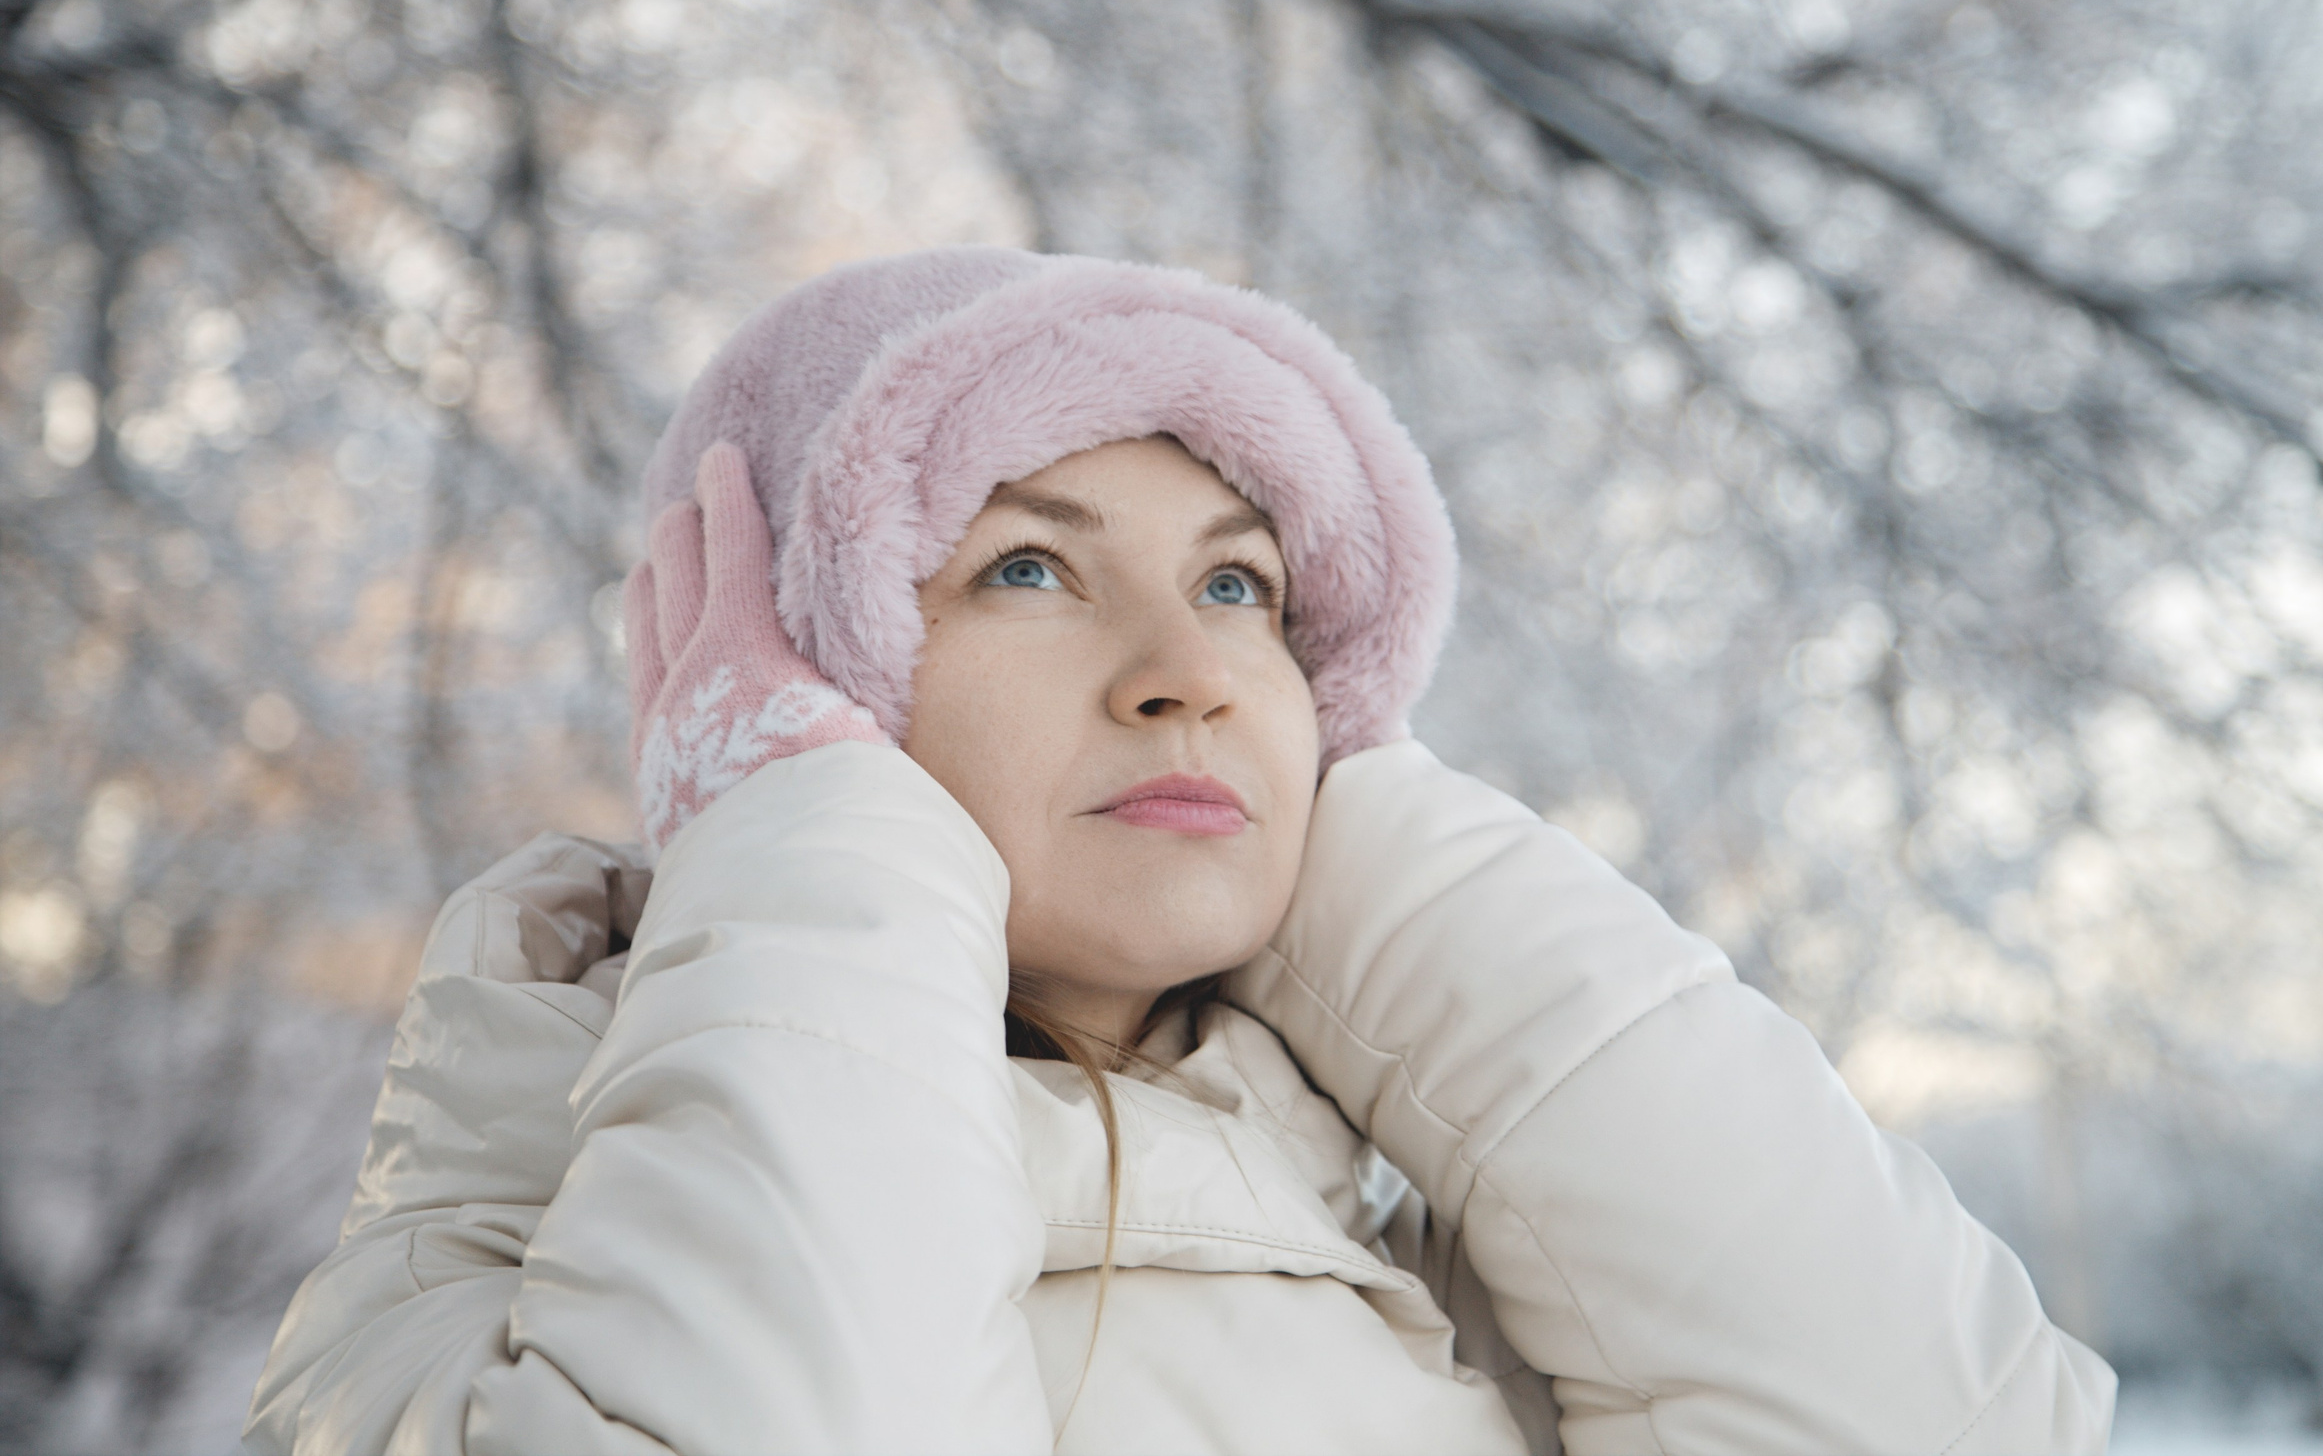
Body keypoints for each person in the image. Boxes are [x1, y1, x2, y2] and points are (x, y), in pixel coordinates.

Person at [244, 248, 2116, 1455]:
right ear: (793, 670)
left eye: (1245, 585)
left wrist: (1359, 856)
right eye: (1031, 568)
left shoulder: (1491, 1299)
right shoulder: (468, 1279)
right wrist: (811, 850)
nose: (1192, 676)